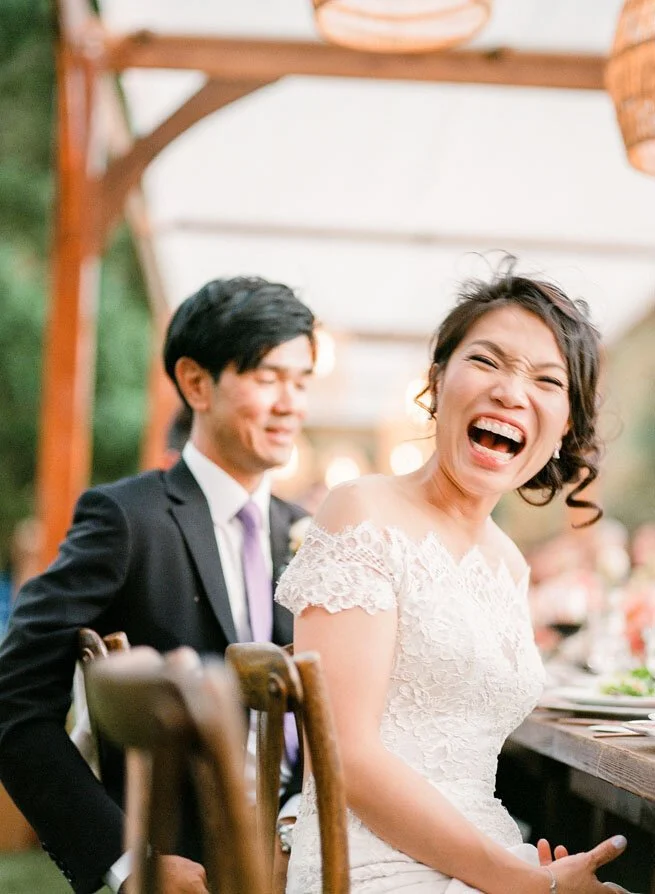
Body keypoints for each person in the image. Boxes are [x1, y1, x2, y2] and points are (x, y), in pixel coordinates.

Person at [276, 264, 630, 893]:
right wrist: (527, 883)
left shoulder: (509, 563)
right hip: (366, 864)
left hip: (482, 855)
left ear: (564, 429)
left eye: (547, 380)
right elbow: (345, 755)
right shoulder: (361, 510)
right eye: (487, 361)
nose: (511, 392)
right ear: (437, 382)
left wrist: (521, 872)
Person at [0, 276, 316, 894]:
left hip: (315, 844)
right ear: (196, 382)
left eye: (302, 381)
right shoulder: (127, 520)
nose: (291, 404)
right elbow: (14, 699)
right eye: (268, 378)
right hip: (192, 861)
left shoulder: (309, 533)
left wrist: (297, 827)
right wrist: (127, 861)